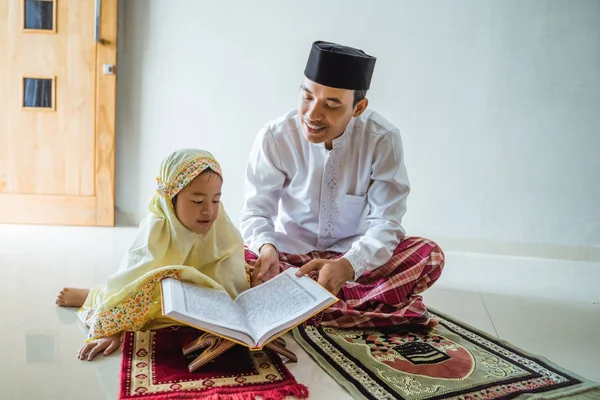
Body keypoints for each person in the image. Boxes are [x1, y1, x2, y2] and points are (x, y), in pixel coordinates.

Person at [241, 41, 444, 329]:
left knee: (429, 254)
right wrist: (266, 248)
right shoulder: (275, 137)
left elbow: (387, 223)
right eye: (307, 97)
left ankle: (306, 306)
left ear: (358, 107)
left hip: (352, 259)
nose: (312, 114)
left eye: (331, 105)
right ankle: (371, 309)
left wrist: (349, 265)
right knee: (238, 258)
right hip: (290, 257)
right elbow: (255, 213)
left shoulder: (381, 138)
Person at [56, 149, 250, 361]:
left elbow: (232, 267)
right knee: (143, 303)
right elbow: (130, 280)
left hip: (197, 289)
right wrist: (112, 329)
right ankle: (93, 295)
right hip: (163, 289)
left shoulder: (219, 222)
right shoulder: (155, 229)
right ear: (171, 199)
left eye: (215, 201)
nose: (209, 211)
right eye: (197, 202)